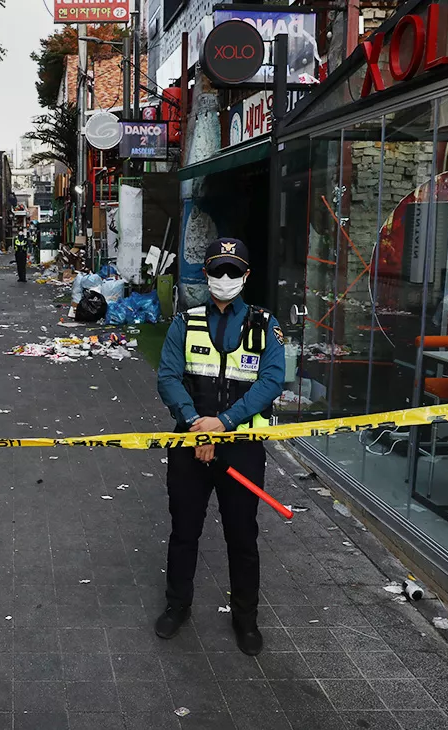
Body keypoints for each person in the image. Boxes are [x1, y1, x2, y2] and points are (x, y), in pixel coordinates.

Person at [154, 237, 286, 656]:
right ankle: (178, 605)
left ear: (246, 275)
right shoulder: (185, 322)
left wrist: (224, 423)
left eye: (233, 271)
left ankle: (245, 620)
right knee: (184, 531)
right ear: (206, 274)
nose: (224, 278)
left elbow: (271, 382)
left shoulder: (265, 325)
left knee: (242, 536)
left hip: (241, 447)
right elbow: (168, 377)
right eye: (217, 270)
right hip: (190, 444)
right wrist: (197, 424)